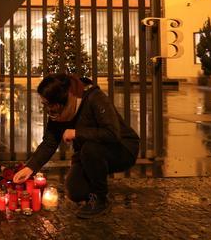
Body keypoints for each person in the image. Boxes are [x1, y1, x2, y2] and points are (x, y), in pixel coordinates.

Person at [13, 73, 139, 219]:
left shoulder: (94, 98)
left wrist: (77, 133)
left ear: (61, 100)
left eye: (48, 104)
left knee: (90, 149)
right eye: (44, 104)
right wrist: (31, 167)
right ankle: (95, 179)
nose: (47, 108)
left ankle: (100, 199)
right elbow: (50, 142)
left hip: (122, 149)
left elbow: (112, 133)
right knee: (75, 191)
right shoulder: (59, 112)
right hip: (89, 153)